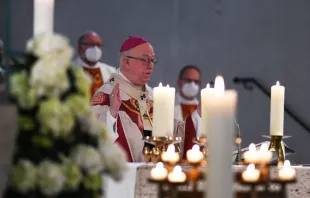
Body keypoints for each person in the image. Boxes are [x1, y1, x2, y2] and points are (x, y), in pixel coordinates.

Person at [92, 36, 201, 162]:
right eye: (145, 60)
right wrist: (111, 115)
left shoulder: (153, 95)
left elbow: (174, 132)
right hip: (128, 176)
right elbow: (93, 137)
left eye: (152, 60)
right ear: (126, 62)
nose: (150, 66)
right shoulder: (106, 94)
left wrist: (197, 116)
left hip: (158, 172)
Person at [76, 31, 116, 97]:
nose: (95, 48)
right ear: (80, 47)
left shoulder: (110, 71)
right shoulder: (71, 69)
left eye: (98, 45)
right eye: (91, 44)